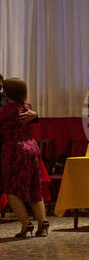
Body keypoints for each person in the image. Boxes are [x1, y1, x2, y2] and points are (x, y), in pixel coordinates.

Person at [0, 78, 49, 238]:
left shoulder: (5, 110)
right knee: (35, 186)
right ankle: (43, 223)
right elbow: (33, 118)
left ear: (8, 92)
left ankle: (25, 224)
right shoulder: (27, 107)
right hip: (31, 147)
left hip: (13, 149)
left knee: (11, 189)